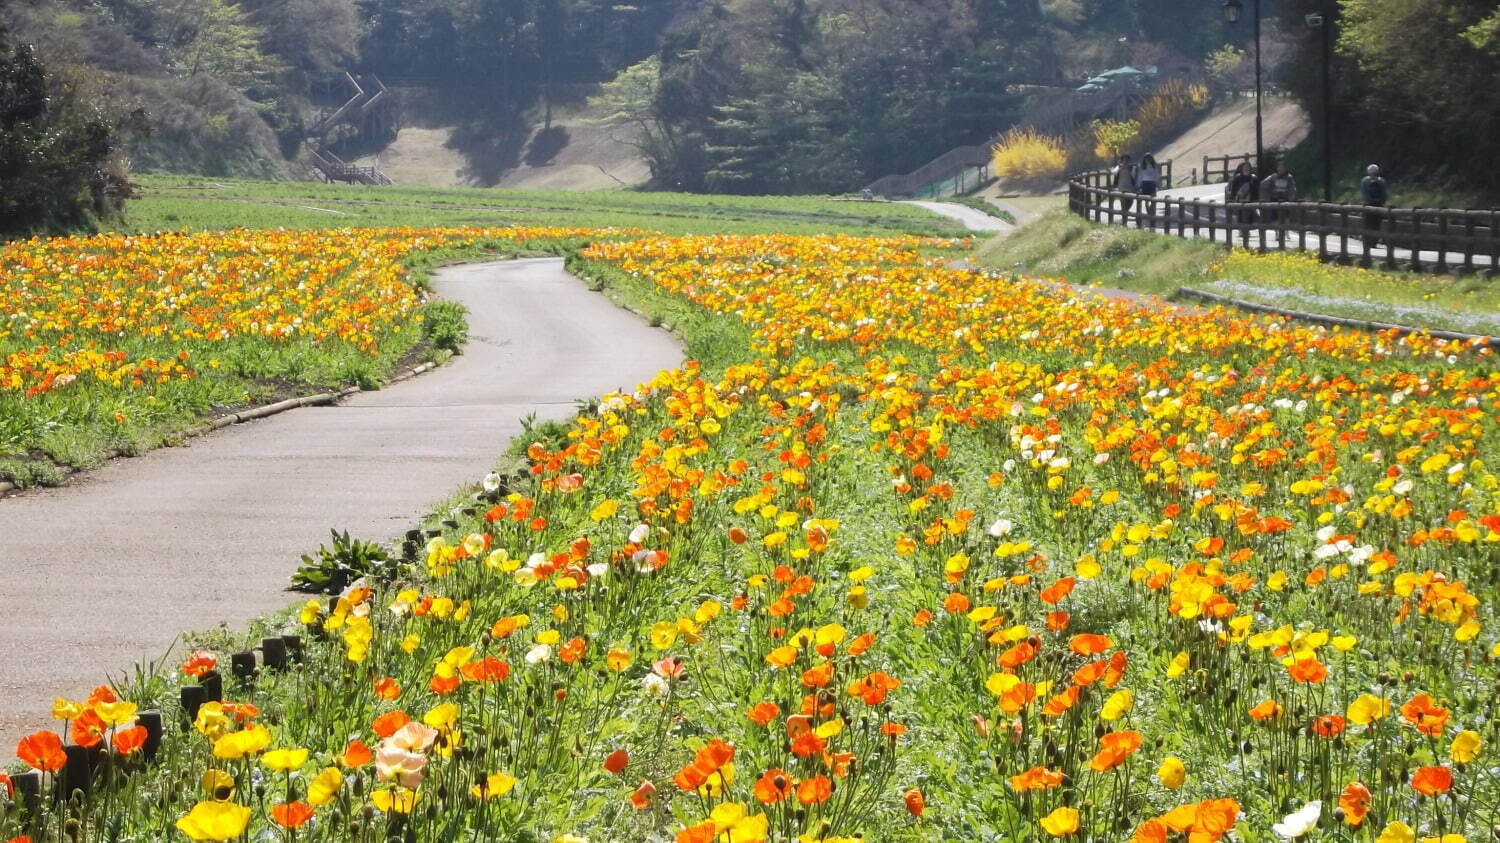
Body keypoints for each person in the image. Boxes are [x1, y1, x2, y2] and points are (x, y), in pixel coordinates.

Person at [1360, 164, 1388, 248]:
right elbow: (1384, 194)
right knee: (1376, 224)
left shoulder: (1364, 181)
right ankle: (1374, 242)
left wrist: (1367, 201)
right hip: (1379, 205)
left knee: (1367, 223)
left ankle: (1367, 241)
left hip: (1367, 205)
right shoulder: (1382, 181)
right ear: (1377, 171)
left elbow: (1363, 193)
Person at [1112, 153, 1138, 219]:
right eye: (1124, 160)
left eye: (1127, 160)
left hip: (1130, 188)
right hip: (1122, 187)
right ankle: (1124, 218)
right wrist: (1119, 166)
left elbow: (1135, 176)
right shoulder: (1119, 168)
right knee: (1123, 203)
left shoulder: (1132, 168)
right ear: (1122, 160)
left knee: (1130, 201)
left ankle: (1125, 213)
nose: (1126, 161)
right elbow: (1114, 172)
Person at [1137, 154, 1161, 224]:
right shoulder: (1142, 167)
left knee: (1153, 200)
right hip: (1145, 183)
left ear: (1151, 159)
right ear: (1144, 160)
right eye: (1146, 159)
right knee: (1146, 200)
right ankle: (1149, 212)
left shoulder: (1154, 166)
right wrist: (1139, 185)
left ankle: (1151, 212)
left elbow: (1157, 175)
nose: (1148, 160)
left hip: (1152, 183)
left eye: (1149, 158)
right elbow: (1140, 177)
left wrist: (1158, 185)